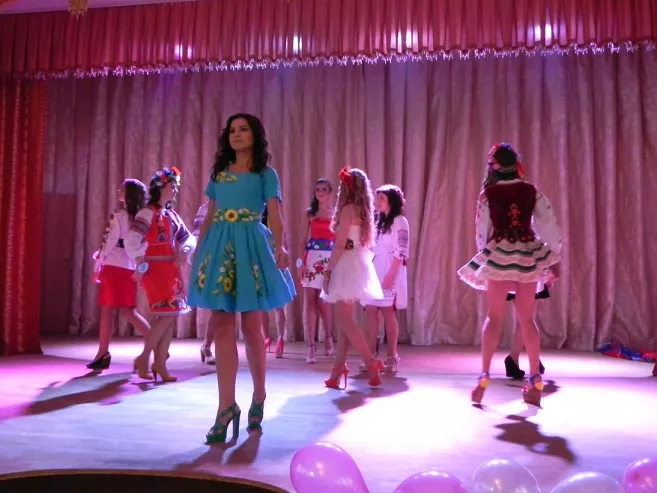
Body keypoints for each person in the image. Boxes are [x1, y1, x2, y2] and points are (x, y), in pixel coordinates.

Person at [188, 113, 296, 444]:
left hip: (252, 246)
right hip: (220, 247)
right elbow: (209, 215)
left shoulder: (266, 173)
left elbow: (275, 214)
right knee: (222, 325)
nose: (236, 134)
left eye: (243, 129)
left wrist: (280, 247)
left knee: (252, 328)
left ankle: (259, 395)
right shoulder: (219, 173)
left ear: (255, 135)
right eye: (232, 130)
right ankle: (225, 407)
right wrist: (200, 252)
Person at [457, 143, 562, 406]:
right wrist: (553, 257)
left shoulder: (488, 194)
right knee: (527, 320)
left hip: (501, 253)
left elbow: (481, 229)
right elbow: (548, 224)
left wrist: (485, 254)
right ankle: (535, 379)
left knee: (494, 317)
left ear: (494, 166)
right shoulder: (530, 191)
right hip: (527, 253)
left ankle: (484, 377)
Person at [124, 167, 196, 382]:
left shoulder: (172, 215)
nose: (175, 190)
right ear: (160, 188)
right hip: (154, 270)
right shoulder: (147, 213)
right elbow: (131, 239)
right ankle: (146, 358)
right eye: (171, 186)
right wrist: (139, 260)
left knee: (169, 317)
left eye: (175, 186)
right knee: (166, 314)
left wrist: (185, 249)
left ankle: (159, 363)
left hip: (171, 271)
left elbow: (188, 238)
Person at [321, 166, 385, 389]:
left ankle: (370, 362)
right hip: (357, 261)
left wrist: (328, 272)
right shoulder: (362, 210)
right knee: (344, 322)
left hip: (346, 262)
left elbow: (340, 245)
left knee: (345, 320)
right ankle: (337, 370)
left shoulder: (347, 209)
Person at [87, 179, 151, 371]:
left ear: (128, 194)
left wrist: (98, 262)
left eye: (122, 189)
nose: (118, 191)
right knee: (128, 311)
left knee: (108, 311)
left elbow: (109, 241)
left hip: (114, 265)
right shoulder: (141, 217)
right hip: (129, 266)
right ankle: (156, 343)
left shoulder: (118, 215)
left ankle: (103, 353)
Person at [362, 184, 409, 374]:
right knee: (371, 310)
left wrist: (391, 275)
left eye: (382, 198)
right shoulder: (377, 221)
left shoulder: (400, 221)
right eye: (377, 198)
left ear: (392, 200)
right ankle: (371, 356)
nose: (378, 201)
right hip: (374, 268)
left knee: (388, 312)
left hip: (390, 268)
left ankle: (392, 355)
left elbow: (402, 250)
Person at [298, 178, 336, 363]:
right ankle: (311, 347)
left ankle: (328, 336)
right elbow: (303, 240)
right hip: (311, 257)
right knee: (310, 302)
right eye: (318, 189)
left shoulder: (336, 213)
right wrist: (301, 263)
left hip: (329, 258)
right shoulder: (310, 213)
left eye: (324, 189)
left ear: (330, 193)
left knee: (324, 302)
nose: (320, 192)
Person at [193, 200, 215, 365]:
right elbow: (196, 233)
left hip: (231, 254)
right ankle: (207, 346)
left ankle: (208, 345)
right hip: (211, 257)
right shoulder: (205, 208)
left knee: (225, 306)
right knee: (218, 305)